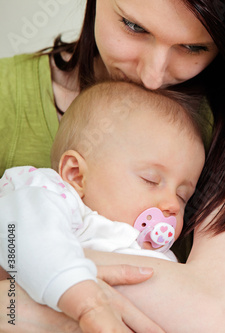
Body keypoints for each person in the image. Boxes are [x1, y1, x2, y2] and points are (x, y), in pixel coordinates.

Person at [0, 0, 225, 331]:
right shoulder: (9, 102)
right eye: (134, 26)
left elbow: (204, 314)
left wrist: (31, 263)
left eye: (194, 47)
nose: (152, 76)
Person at [0, 81, 206, 333]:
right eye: (150, 180)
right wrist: (89, 305)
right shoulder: (58, 200)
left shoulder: (164, 258)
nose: (172, 204)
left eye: (183, 196)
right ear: (76, 175)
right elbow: (22, 233)